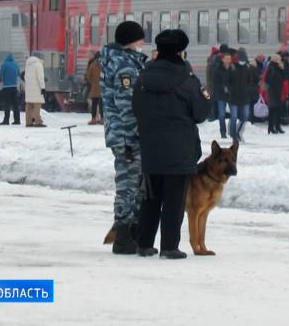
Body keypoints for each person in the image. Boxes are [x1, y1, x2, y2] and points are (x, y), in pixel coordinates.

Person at [133, 29, 210, 259]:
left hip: (150, 146)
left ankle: (144, 243)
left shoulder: (143, 77)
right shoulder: (187, 80)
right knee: (174, 200)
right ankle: (169, 246)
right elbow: (201, 112)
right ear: (180, 51)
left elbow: (136, 109)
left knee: (150, 197)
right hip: (180, 149)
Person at [100, 20, 147, 254]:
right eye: (140, 39)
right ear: (131, 40)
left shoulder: (125, 61)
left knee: (134, 186)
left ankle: (130, 234)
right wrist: (135, 133)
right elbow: (126, 104)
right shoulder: (124, 65)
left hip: (124, 135)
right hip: (127, 136)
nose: (143, 43)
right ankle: (123, 236)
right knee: (128, 187)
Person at [227, 48, 256, 142]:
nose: (242, 61)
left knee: (245, 116)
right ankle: (234, 136)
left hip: (245, 97)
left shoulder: (247, 68)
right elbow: (226, 81)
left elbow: (251, 81)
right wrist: (231, 90)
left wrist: (248, 90)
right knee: (234, 116)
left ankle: (238, 132)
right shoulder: (232, 67)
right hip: (233, 97)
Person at [213, 49, 234, 139]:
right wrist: (223, 88)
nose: (228, 60)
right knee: (221, 114)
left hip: (231, 95)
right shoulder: (218, 69)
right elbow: (216, 82)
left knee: (234, 114)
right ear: (222, 59)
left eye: (229, 58)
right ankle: (223, 132)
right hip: (221, 95)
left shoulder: (233, 68)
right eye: (226, 58)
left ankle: (232, 131)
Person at [265, 54, 288, 134]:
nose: (280, 60)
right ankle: (271, 127)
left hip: (278, 90)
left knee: (277, 109)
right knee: (273, 109)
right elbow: (269, 79)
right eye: (279, 59)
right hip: (273, 91)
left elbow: (284, 77)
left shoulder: (278, 67)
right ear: (275, 59)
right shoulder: (271, 67)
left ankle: (277, 126)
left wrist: (282, 69)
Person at [24, 52, 47, 127]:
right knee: (37, 105)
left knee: (29, 105)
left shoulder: (28, 64)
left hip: (29, 89)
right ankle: (38, 121)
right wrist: (43, 87)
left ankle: (28, 122)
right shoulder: (38, 64)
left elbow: (25, 77)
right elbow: (40, 77)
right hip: (37, 89)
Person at [0, 53, 21, 125]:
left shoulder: (5, 64)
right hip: (14, 87)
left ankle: (6, 120)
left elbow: (0, 75)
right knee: (15, 105)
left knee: (7, 104)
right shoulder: (16, 64)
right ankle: (17, 120)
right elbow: (18, 74)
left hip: (6, 87)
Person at [85, 52, 103, 125]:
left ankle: (93, 119)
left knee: (94, 104)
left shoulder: (93, 64)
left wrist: (93, 82)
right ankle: (102, 119)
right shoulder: (105, 64)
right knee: (102, 104)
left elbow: (88, 76)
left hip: (95, 88)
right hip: (103, 88)